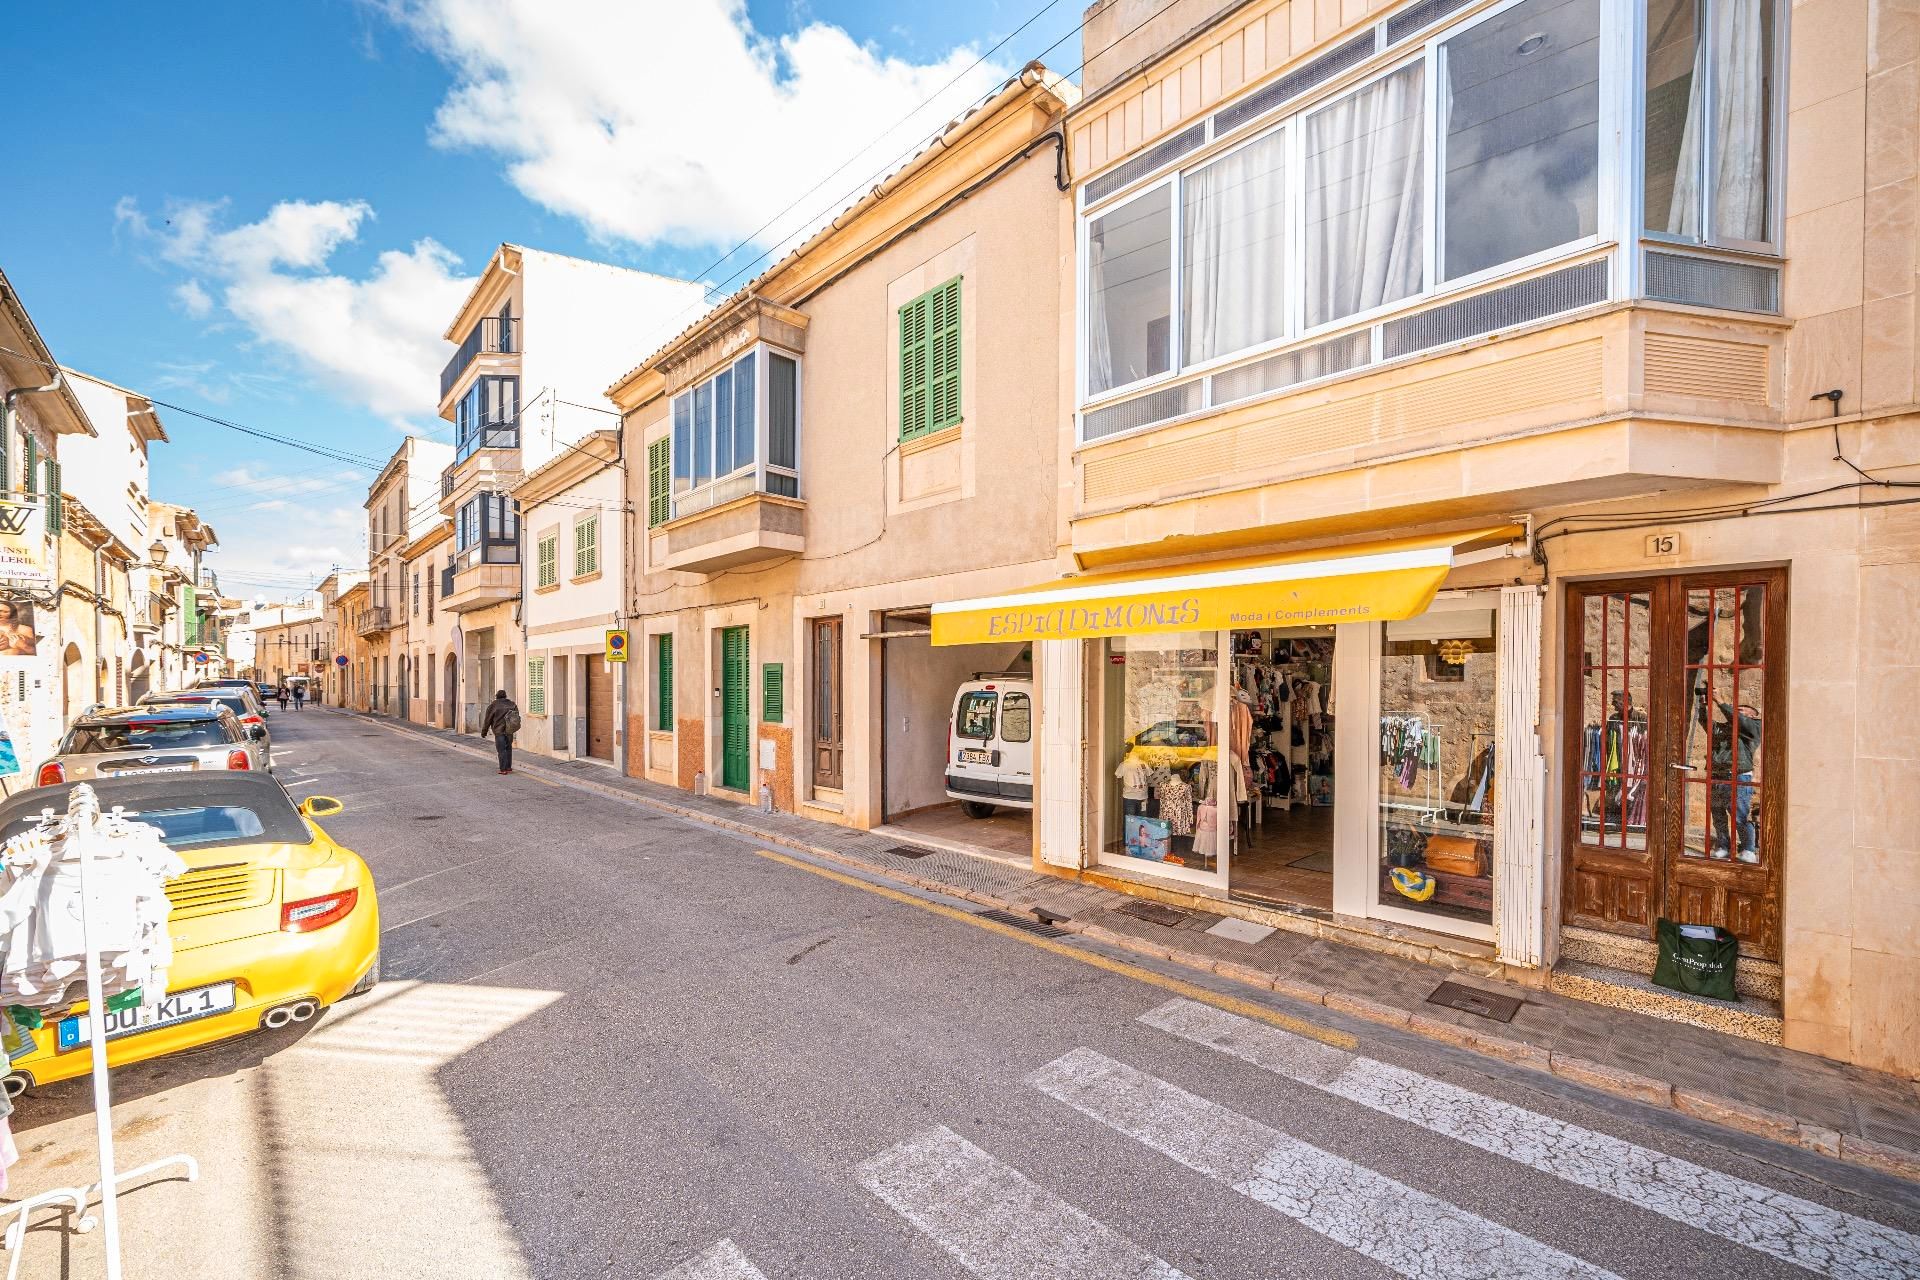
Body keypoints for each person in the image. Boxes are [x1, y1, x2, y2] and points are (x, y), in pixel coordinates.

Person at [480, 689, 520, 774]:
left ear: (496, 696)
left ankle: (503, 769)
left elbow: (487, 720)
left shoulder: (493, 706)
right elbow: (516, 717)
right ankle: (508, 767)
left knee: (501, 750)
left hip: (499, 731)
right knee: (508, 748)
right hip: (510, 730)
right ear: (505, 696)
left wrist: (484, 732)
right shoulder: (512, 704)